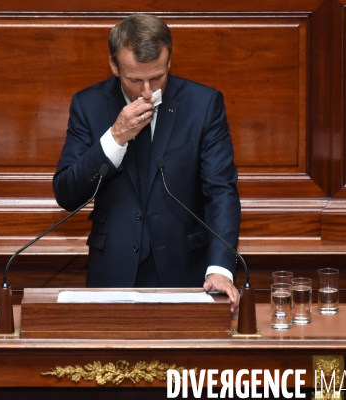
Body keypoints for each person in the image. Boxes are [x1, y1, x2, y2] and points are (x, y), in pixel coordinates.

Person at [53, 14, 241, 310]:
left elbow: (221, 192)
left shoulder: (203, 105)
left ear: (168, 62)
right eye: (134, 79)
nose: (147, 91)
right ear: (114, 66)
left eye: (157, 78)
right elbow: (67, 192)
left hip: (185, 271)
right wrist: (115, 137)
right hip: (111, 272)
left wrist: (220, 268)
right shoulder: (88, 105)